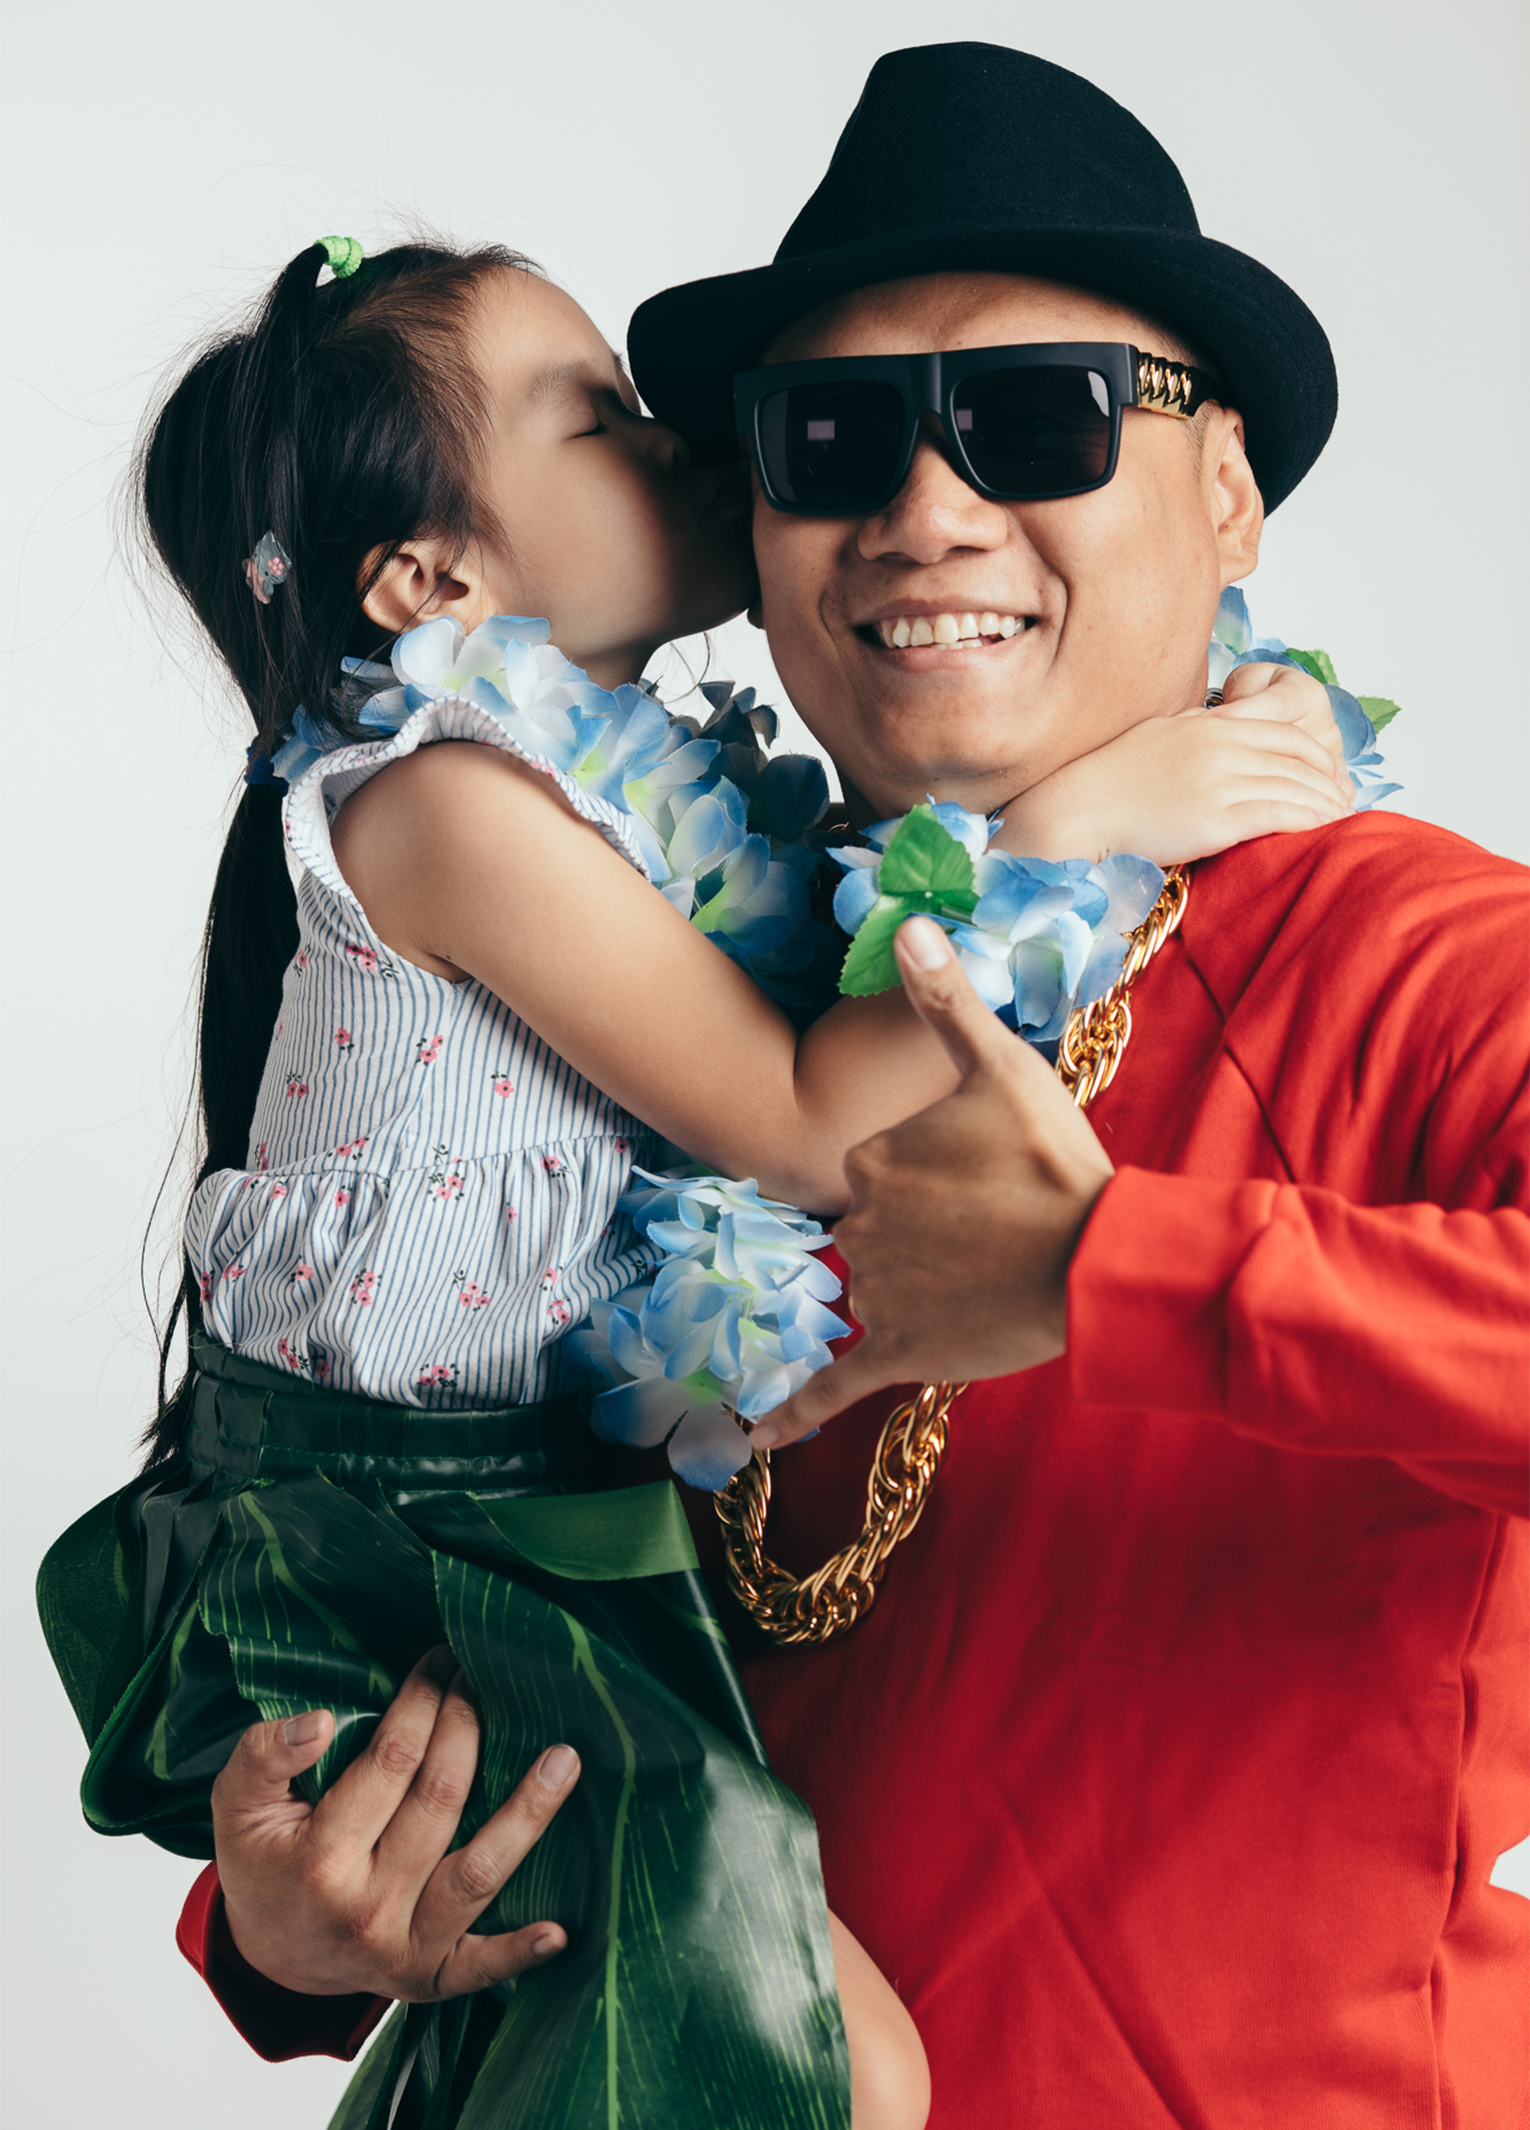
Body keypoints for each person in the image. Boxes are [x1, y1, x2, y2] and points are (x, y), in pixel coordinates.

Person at [176, 43, 1527, 2127]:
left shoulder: (1422, 963)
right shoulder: (670, 996)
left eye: (1039, 417)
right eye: (829, 436)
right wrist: (284, 1916)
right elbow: (428, 1550)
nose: (921, 507)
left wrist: (1116, 1273)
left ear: (1231, 490)